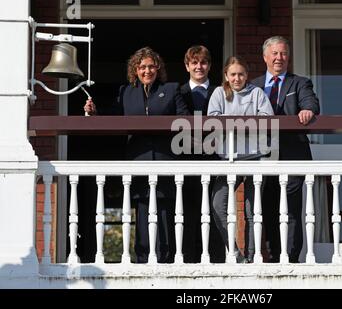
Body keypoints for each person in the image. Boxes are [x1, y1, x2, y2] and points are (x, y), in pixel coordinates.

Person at [84, 47, 189, 263]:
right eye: (142, 67)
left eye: (151, 66)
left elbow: (185, 118)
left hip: (165, 159)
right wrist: (94, 112)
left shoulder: (171, 89)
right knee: (142, 208)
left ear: (158, 68)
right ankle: (142, 258)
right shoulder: (126, 92)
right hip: (138, 159)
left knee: (164, 210)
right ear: (135, 70)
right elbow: (113, 116)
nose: (147, 70)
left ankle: (166, 258)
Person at [251, 36, 320, 263]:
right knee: (268, 210)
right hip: (261, 156)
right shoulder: (254, 86)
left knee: (289, 211)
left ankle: (290, 258)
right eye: (275, 53)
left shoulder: (299, 83)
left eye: (283, 54)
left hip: (292, 154)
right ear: (265, 57)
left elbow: (311, 104)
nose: (279, 58)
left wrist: (307, 110)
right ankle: (272, 257)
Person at [208, 56, 274, 263]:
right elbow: (213, 121)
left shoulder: (257, 93)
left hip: (256, 156)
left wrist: (234, 125)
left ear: (247, 75)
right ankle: (235, 253)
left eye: (241, 74)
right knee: (219, 205)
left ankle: (253, 257)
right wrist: (246, 124)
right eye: (233, 74)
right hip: (229, 159)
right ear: (226, 76)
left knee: (252, 210)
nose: (237, 78)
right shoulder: (219, 93)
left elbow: (266, 120)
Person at [180, 45, 225, 263]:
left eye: (203, 62)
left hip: (214, 160)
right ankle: (187, 262)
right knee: (187, 216)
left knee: (215, 213)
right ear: (187, 65)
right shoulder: (177, 93)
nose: (199, 67)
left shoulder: (222, 92)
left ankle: (216, 261)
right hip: (185, 160)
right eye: (194, 62)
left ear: (210, 65)